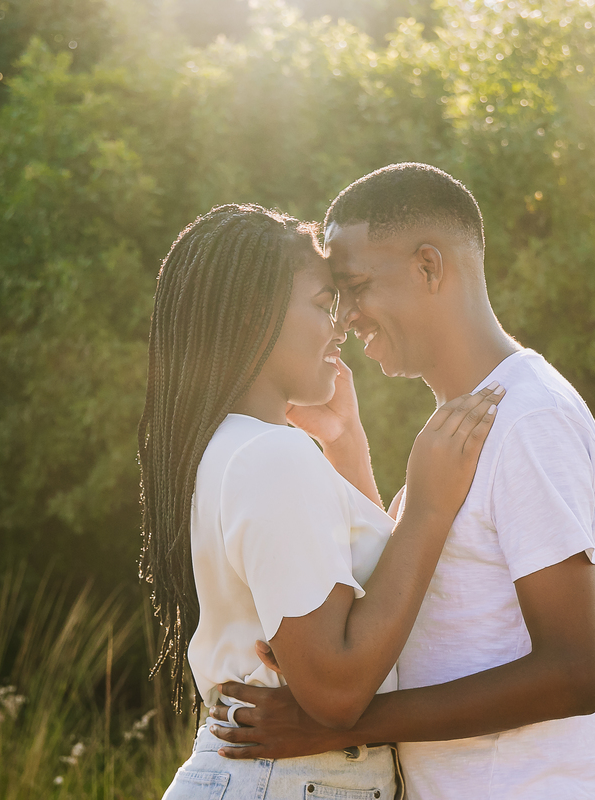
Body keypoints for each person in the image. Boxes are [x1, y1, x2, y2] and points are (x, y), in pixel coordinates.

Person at [209, 164, 595, 799]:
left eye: (355, 287)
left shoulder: (528, 419)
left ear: (429, 267)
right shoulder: (460, 427)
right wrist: (346, 445)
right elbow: (424, 597)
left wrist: (337, 725)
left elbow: (572, 673)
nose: (345, 316)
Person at [138, 203, 506, 800]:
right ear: (255, 313)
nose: (340, 327)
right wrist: (427, 508)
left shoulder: (235, 446)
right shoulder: (272, 455)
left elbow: (361, 608)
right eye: (322, 303)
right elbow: (336, 693)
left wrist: (347, 445)